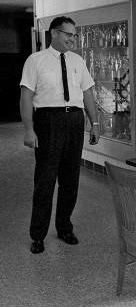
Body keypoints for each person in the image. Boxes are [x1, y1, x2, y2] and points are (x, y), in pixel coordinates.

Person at [20, 16, 100, 254]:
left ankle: (64, 227)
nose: (72, 39)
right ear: (54, 33)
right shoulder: (36, 61)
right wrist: (28, 129)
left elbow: (87, 94)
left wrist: (94, 122)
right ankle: (38, 235)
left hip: (74, 120)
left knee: (70, 178)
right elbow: (26, 97)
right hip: (48, 121)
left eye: (74, 35)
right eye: (68, 34)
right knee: (45, 179)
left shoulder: (78, 61)